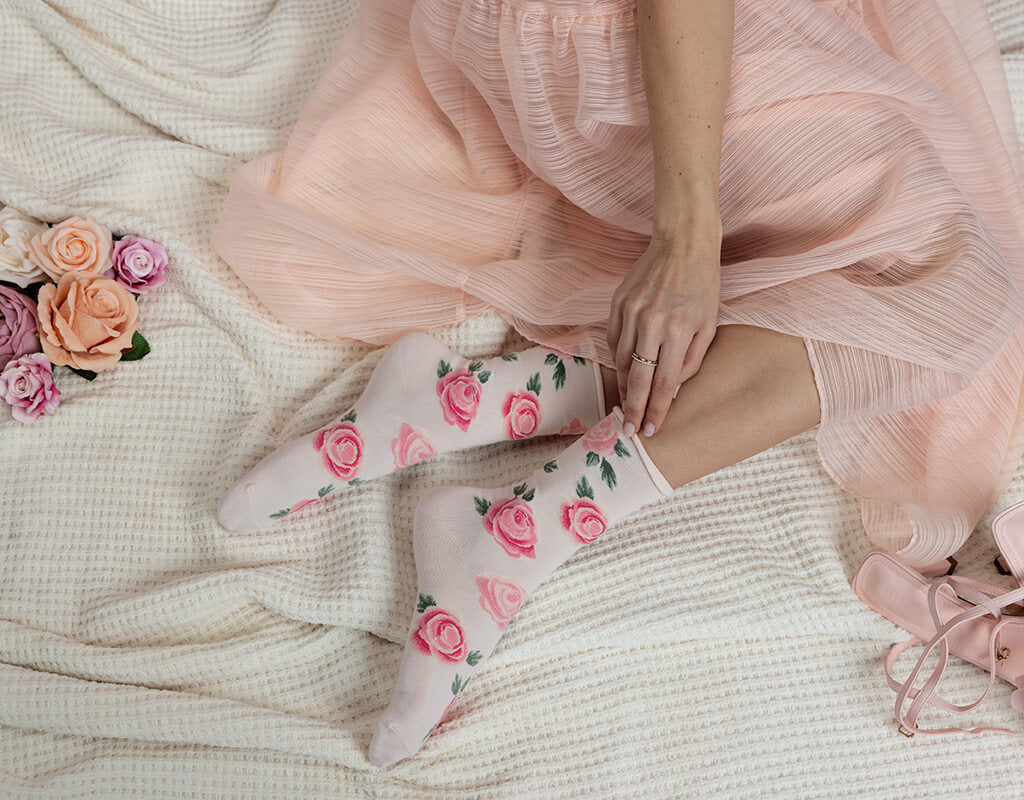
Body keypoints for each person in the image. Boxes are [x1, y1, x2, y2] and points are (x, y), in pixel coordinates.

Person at [210, 0, 1024, 766]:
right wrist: (686, 234)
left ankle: (460, 407)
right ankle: (516, 526)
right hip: (630, 33)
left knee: (841, 284)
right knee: (946, 284)